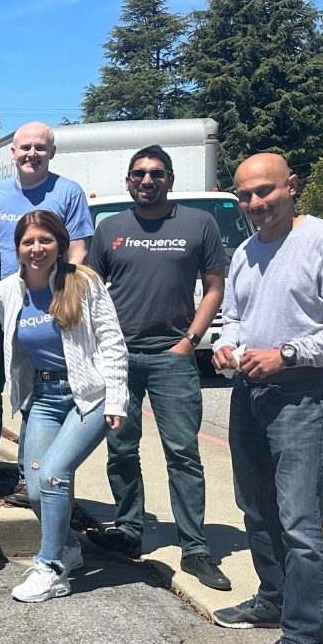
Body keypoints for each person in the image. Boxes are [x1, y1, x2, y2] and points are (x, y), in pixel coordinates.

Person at [211, 152, 323, 644]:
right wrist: (228, 344)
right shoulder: (245, 251)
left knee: (300, 522)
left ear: (292, 186)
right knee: (256, 508)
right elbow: (234, 316)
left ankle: (304, 637)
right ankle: (274, 597)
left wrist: (288, 353)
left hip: (303, 393)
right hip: (249, 392)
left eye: (265, 191)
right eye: (244, 195)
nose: (255, 203)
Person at [88, 146, 231, 591]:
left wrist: (190, 341)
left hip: (173, 358)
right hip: (120, 358)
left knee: (183, 453)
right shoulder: (110, 228)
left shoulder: (198, 224)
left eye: (156, 173)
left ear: (169, 178)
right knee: (120, 449)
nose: (146, 181)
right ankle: (129, 531)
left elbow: (214, 286)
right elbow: (90, 289)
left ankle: (195, 548)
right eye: (138, 174)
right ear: (128, 180)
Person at [0, 211, 127, 603]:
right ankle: (68, 547)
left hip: (90, 394)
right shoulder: (7, 291)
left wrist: (117, 398)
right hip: (45, 395)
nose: (37, 248)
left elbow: (112, 342)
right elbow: (16, 349)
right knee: (35, 488)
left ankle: (50, 568)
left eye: (45, 240)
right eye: (28, 242)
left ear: (60, 245)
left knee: (54, 474)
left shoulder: (83, 282)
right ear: (18, 248)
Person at [0, 122, 92, 506]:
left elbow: (78, 248)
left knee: (37, 392)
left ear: (51, 153)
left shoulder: (68, 192)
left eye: (40, 148)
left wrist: (66, 294)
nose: (32, 154)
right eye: (25, 147)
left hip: (47, 310)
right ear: (13, 152)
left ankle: (30, 476)